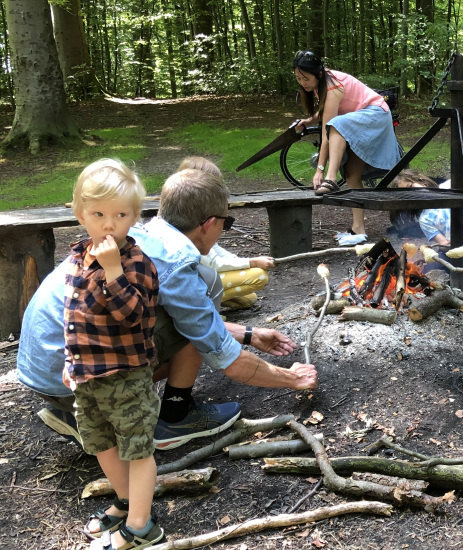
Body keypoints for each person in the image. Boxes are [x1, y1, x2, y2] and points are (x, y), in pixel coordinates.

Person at [18, 165, 319, 452]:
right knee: (199, 310)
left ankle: (75, 414)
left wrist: (248, 334)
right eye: (226, 223)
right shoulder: (175, 263)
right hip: (73, 382)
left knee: (195, 301)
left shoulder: (143, 236)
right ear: (209, 224)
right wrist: (292, 378)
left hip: (45, 373)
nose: (223, 230)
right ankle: (176, 416)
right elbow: (223, 355)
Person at [62, 160, 164, 550]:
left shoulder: (136, 264)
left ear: (135, 216)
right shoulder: (78, 256)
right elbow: (72, 315)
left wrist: (113, 272)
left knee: (137, 448)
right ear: (80, 214)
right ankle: (125, 500)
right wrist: (69, 361)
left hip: (126, 375)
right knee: (100, 442)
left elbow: (134, 316)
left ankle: (141, 526)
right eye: (98, 214)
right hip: (87, 374)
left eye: (120, 215)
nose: (109, 225)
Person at [292, 50, 402, 244]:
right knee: (351, 174)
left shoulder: (332, 85)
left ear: (318, 74)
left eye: (306, 78)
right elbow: (326, 111)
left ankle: (331, 179)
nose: (302, 83)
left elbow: (327, 131)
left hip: (375, 114)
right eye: (298, 78)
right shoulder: (321, 85)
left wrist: (320, 169)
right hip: (361, 116)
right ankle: (358, 228)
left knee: (336, 125)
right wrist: (310, 120)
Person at [178, 158, 274, 310]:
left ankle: (209, 304)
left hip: (204, 277)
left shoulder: (194, 212)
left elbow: (215, 250)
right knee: (259, 276)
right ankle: (204, 310)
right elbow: (214, 264)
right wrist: (251, 263)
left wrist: (239, 261)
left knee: (249, 299)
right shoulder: (190, 222)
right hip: (193, 280)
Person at [393, 170, 463, 274]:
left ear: (420, 180)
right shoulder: (424, 219)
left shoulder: (451, 185)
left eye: (410, 186)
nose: (412, 193)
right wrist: (454, 242)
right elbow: (444, 245)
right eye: (407, 194)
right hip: (450, 254)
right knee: (423, 275)